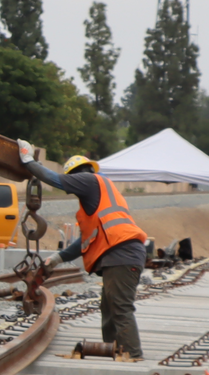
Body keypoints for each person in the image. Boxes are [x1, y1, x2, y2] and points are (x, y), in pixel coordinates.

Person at [17, 141, 149, 358]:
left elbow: (55, 179)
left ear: (77, 175)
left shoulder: (89, 181)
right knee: (109, 310)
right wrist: (58, 258)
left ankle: (133, 356)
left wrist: (28, 161)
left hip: (121, 254)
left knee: (120, 308)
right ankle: (114, 351)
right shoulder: (97, 199)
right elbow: (86, 241)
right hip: (120, 254)